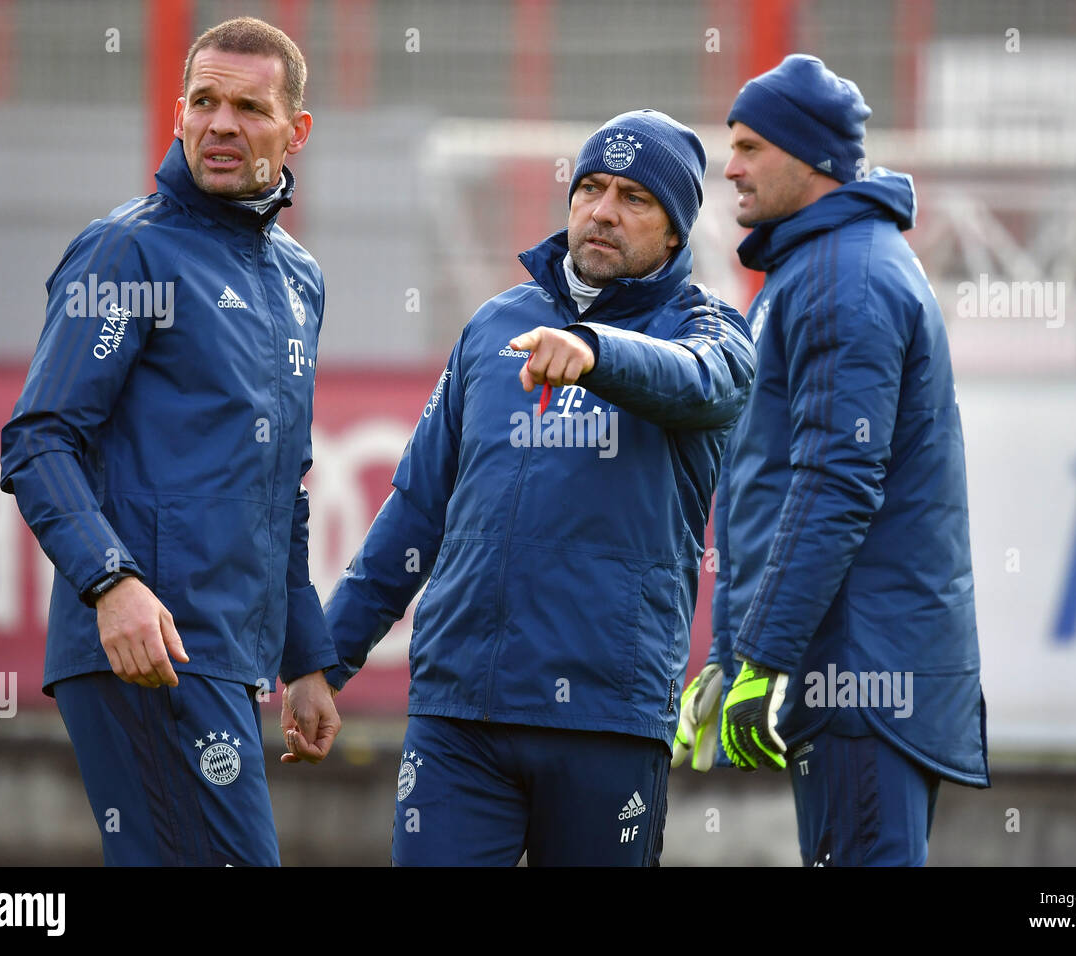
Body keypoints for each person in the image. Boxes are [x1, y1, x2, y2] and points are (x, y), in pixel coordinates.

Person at [322, 109, 755, 866]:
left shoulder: (709, 330)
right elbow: (419, 510)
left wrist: (594, 352)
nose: (602, 210)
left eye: (634, 197)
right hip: (463, 714)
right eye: (589, 187)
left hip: (606, 720)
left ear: (677, 232)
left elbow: (705, 387)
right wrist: (325, 659)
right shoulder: (495, 326)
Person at [0, 17, 340, 866]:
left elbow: (281, 486)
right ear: (178, 113)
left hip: (226, 656)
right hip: (143, 649)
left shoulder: (299, 277)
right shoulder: (126, 251)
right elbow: (39, 439)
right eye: (204, 101)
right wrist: (111, 585)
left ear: (295, 131)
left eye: (248, 107)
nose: (221, 124)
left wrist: (304, 657)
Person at [673, 54, 990, 866]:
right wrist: (731, 657)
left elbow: (835, 486)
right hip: (848, 669)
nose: (730, 168)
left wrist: (764, 661)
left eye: (748, 147)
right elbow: (772, 485)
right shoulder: (817, 263)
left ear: (809, 158)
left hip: (862, 680)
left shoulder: (843, 275)